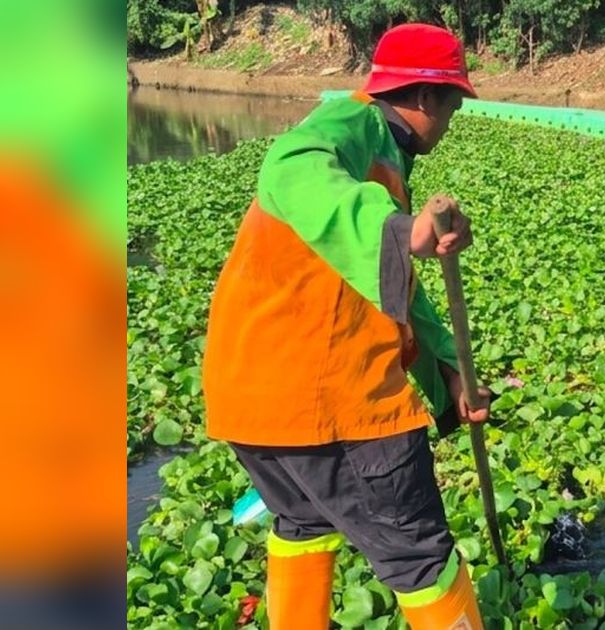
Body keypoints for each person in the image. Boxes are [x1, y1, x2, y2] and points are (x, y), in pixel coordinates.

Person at [202, 23, 490, 629]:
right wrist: (397, 231)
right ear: (424, 98)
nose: (452, 119)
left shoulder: (385, 153)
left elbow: (390, 289)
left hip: (252, 399)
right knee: (420, 556)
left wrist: (448, 375)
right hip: (330, 405)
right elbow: (291, 170)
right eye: (453, 104)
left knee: (304, 525)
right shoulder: (342, 131)